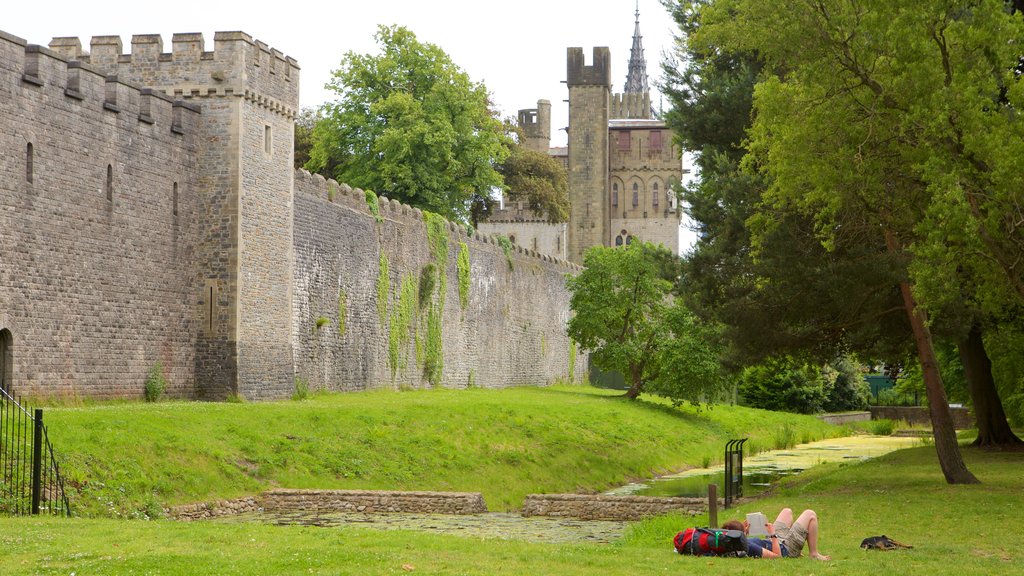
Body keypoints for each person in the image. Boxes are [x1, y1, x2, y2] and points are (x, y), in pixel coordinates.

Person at [722, 508, 831, 560]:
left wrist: (745, 533)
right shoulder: (749, 547)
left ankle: (797, 546)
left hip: (776, 541)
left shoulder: (738, 544)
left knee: (787, 511)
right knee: (810, 514)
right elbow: (777, 557)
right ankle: (814, 554)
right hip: (785, 548)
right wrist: (772, 534)